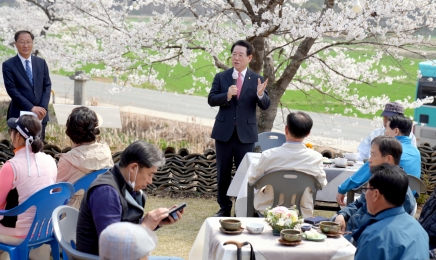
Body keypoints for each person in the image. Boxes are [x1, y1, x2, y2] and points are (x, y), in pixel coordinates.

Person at [76, 141, 184, 256]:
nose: (150, 181)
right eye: (150, 174)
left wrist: (155, 222)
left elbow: (125, 228)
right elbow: (113, 247)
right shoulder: (106, 192)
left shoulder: (125, 185)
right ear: (133, 168)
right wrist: (145, 226)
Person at [208, 40, 270, 217]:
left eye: (240, 55)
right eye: (234, 54)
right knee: (223, 172)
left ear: (249, 58)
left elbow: (266, 105)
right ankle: (224, 208)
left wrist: (259, 94)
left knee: (246, 174)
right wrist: (226, 95)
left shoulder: (257, 79)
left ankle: (243, 208)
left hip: (246, 134)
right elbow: (211, 99)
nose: (236, 58)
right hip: (224, 133)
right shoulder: (222, 77)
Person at [334, 136, 416, 241]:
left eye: (373, 155)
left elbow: (383, 230)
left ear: (388, 159)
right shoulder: (378, 180)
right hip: (352, 230)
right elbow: (359, 203)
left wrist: (349, 237)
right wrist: (343, 215)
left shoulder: (400, 192)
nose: (369, 160)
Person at [248, 111, 327, 218]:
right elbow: (321, 184)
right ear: (308, 133)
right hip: (301, 212)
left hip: (268, 209)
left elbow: (252, 180)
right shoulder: (316, 158)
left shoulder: (268, 155)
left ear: (286, 130)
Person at [0, 115, 57, 259]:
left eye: (11, 131)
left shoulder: (11, 166)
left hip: (18, 233)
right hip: (45, 229)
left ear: (18, 136)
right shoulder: (50, 161)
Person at [336, 115, 421, 206]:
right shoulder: (416, 152)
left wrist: (342, 189)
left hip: (388, 202)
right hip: (409, 203)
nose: (384, 132)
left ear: (396, 131)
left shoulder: (389, 149)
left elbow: (362, 175)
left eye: (386, 128)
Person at [353, 164, 428, 260]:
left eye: (366, 189)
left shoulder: (374, 236)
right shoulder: (419, 230)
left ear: (376, 194)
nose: (365, 194)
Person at [56, 106, 114, 209]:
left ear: (70, 132)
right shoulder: (105, 152)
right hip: (101, 206)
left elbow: (57, 192)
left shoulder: (67, 160)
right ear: (96, 131)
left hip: (71, 213)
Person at [2, 30, 52, 142]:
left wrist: (43, 108)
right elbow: (12, 90)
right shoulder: (8, 65)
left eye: (28, 42)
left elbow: (47, 86)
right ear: (15, 44)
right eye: (22, 42)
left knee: (38, 148)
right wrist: (31, 108)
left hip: (40, 115)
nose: (25, 45)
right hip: (19, 114)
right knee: (19, 148)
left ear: (33, 43)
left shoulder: (41, 63)